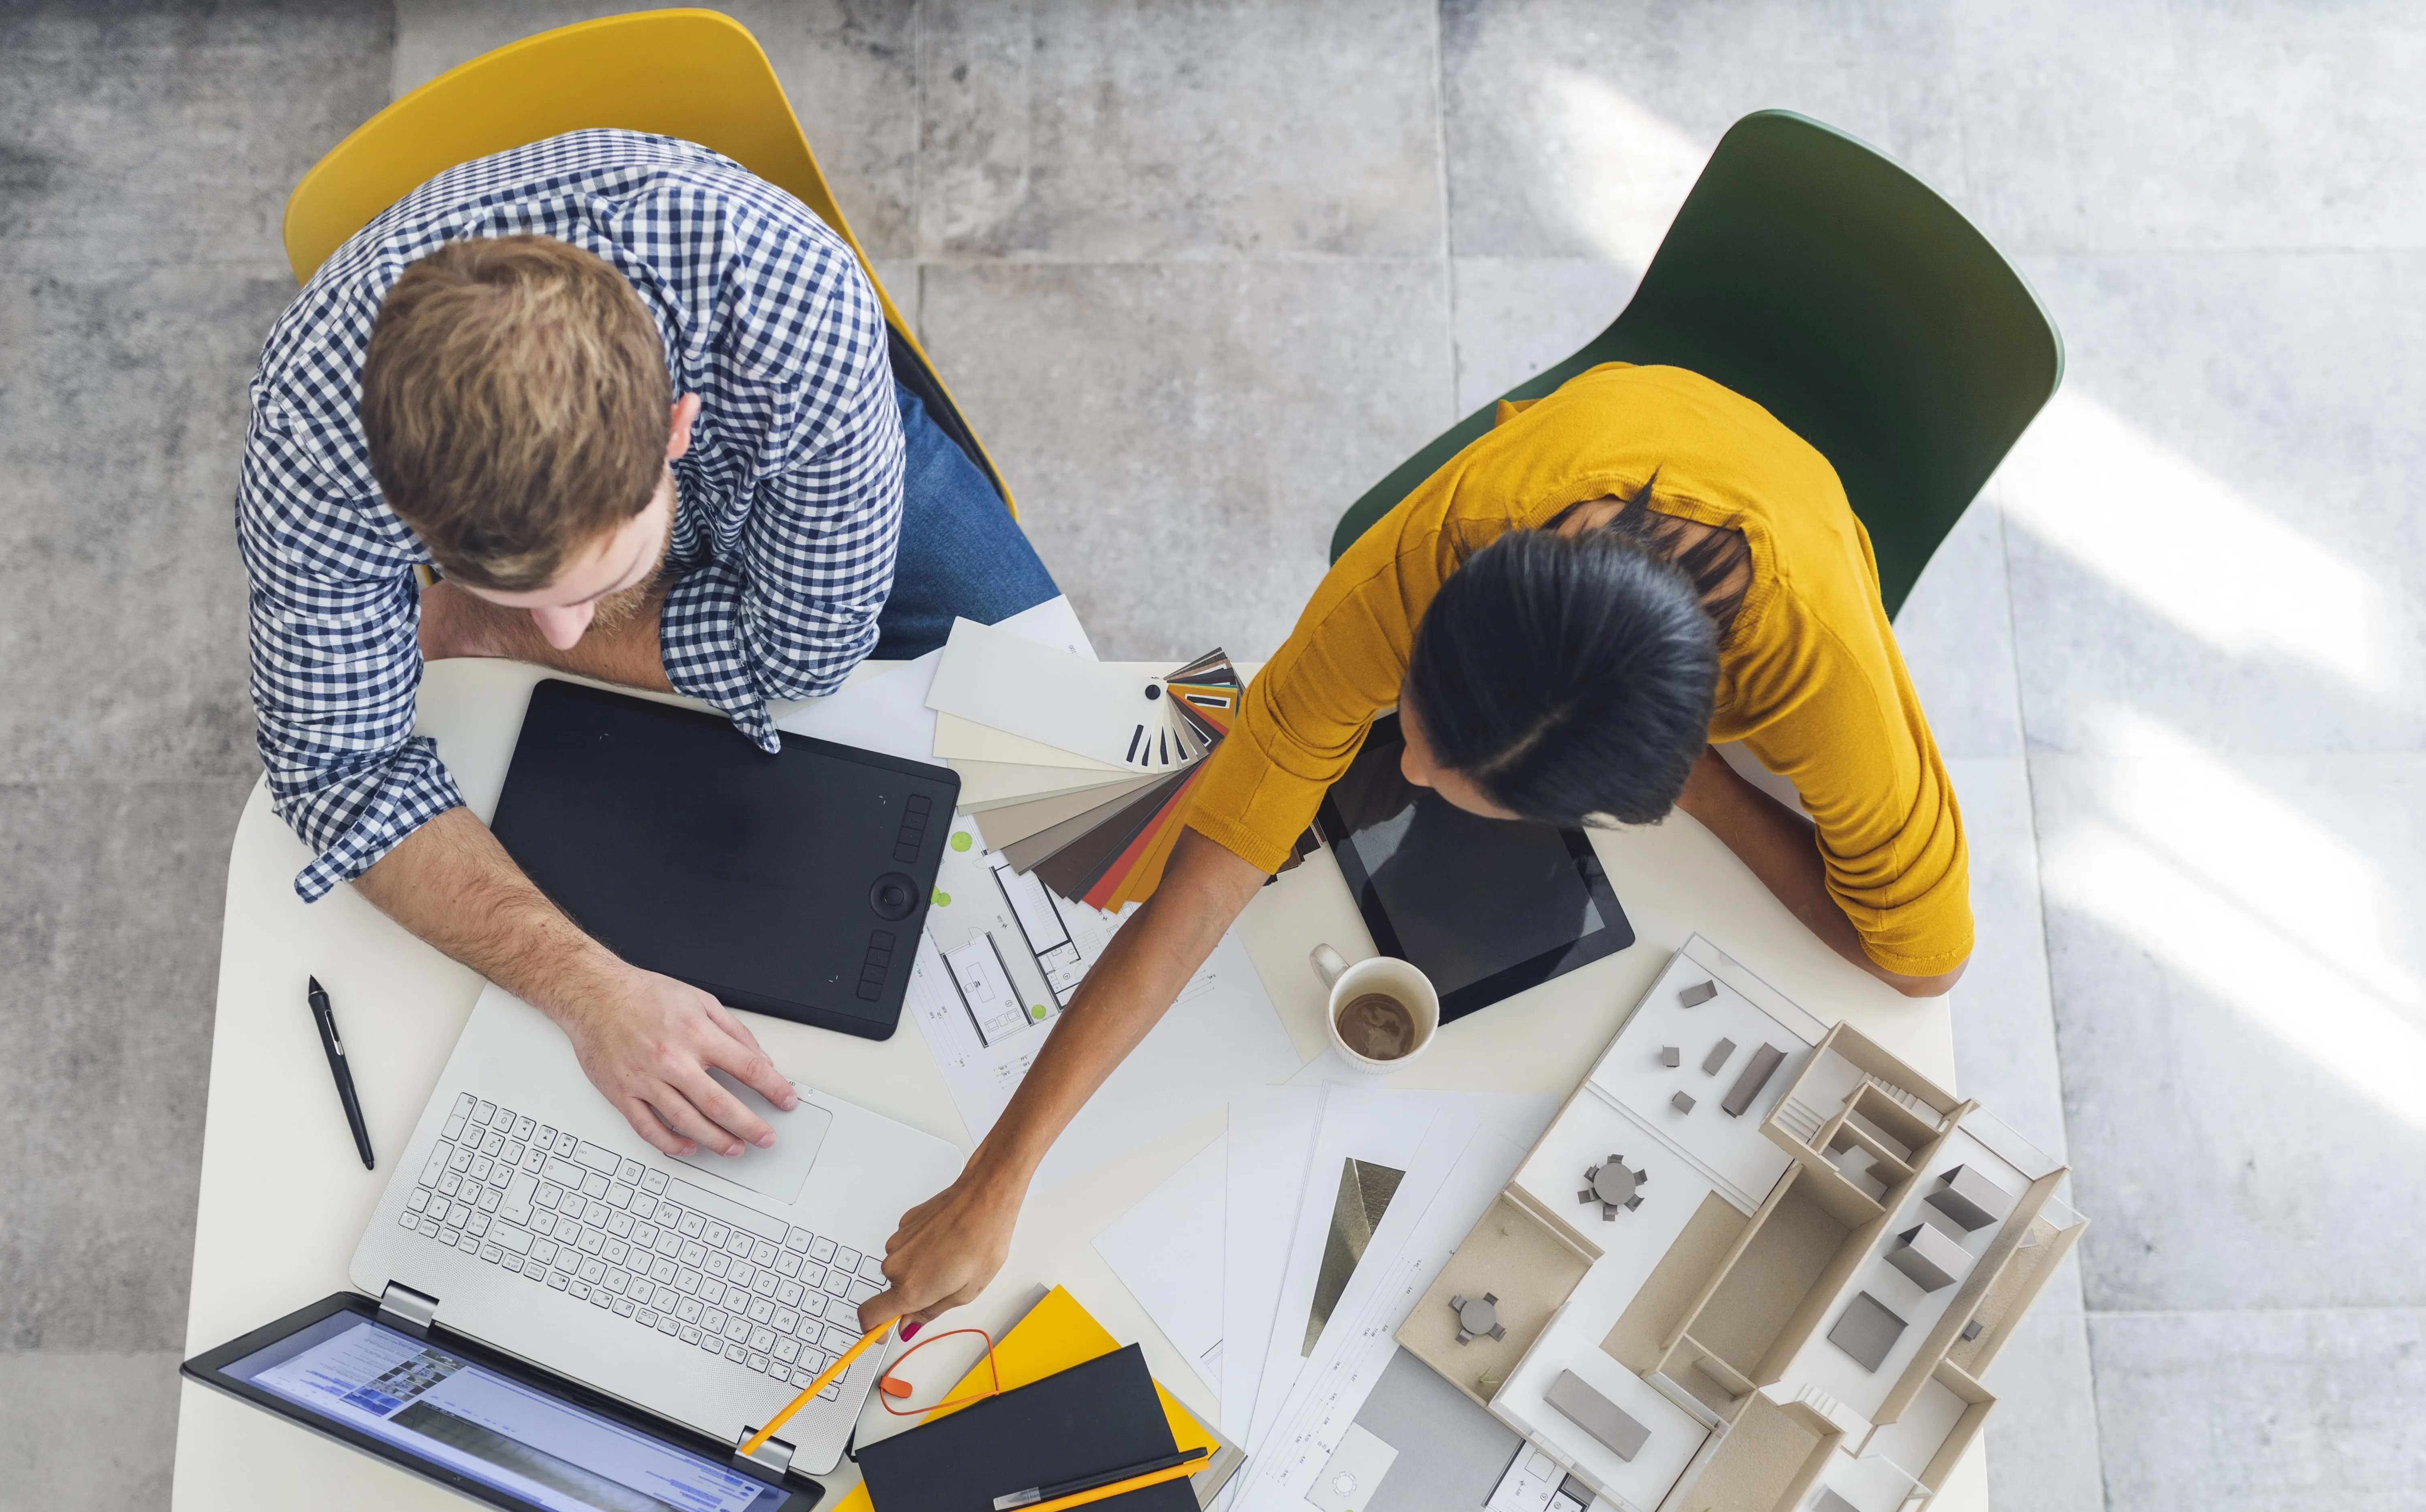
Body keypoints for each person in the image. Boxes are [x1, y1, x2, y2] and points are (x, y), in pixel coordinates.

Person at [858, 360, 1971, 1340]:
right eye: (1419, 725)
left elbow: (1924, 961)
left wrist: (1711, 791)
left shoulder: (1818, 673)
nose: (1415, 776)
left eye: (1454, 777)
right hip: (1604, 427)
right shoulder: (1426, 558)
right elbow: (1205, 885)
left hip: (1790, 515)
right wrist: (996, 1181)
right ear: (1439, 623)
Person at [237, 130, 1056, 1164]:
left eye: (589, 590)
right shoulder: (317, 438)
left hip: (792, 453)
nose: (564, 638)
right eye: (520, 601)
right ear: (402, 510)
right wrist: (589, 990)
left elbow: (805, 655)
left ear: (675, 427)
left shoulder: (790, 299)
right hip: (691, 520)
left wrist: (482, 622)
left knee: (1046, 699)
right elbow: (338, 775)